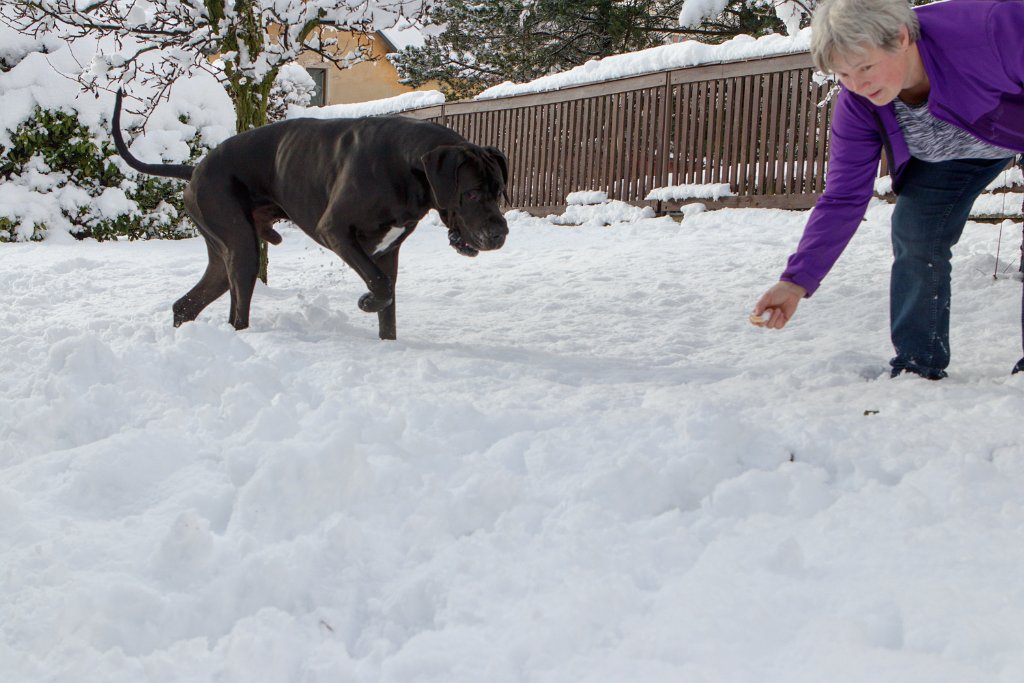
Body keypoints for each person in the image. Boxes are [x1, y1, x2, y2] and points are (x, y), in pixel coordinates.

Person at [752, 0, 1024, 379]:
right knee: (915, 232)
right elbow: (844, 196)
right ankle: (917, 364)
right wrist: (795, 281)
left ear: (901, 37)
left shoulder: (993, 29)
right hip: (952, 160)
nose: (858, 85)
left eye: (865, 67)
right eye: (844, 74)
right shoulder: (859, 104)